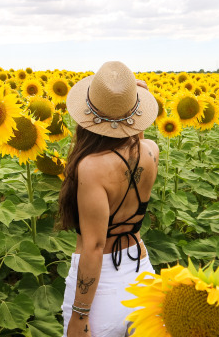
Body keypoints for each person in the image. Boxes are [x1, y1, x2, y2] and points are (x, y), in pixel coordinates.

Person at [57, 61, 160, 337]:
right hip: (142, 274)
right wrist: (132, 113)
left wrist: (80, 316)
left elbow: (94, 245)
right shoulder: (151, 152)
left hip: (100, 292)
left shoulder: (90, 167)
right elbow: (134, 142)